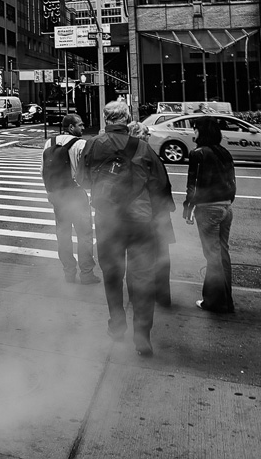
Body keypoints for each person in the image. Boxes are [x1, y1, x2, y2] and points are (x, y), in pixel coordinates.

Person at [76, 100, 171, 358]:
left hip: (108, 220)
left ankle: (117, 324)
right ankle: (142, 336)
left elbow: (83, 180)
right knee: (142, 277)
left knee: (112, 274)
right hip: (140, 221)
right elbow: (160, 183)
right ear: (127, 118)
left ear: (106, 119)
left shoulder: (93, 144)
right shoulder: (142, 147)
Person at [184, 116, 237, 314]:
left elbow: (193, 185)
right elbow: (232, 181)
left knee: (212, 256)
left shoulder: (198, 154)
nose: (193, 133)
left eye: (196, 129)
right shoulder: (224, 152)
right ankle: (227, 300)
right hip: (226, 207)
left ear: (203, 132)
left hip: (208, 209)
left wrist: (188, 208)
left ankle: (214, 302)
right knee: (223, 254)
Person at [42, 114, 100, 285]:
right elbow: (87, 172)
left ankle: (69, 272)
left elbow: (43, 170)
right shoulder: (80, 144)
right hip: (75, 194)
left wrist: (50, 192)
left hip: (57, 195)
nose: (83, 128)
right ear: (70, 127)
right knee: (85, 235)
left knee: (63, 234)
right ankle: (86, 273)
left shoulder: (49, 143)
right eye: (80, 125)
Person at [131, 120, 176, 307]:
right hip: (154, 214)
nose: (149, 136)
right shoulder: (146, 154)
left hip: (145, 214)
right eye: (146, 133)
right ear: (139, 136)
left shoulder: (134, 155)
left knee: (141, 257)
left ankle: (141, 295)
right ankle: (161, 296)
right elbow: (161, 184)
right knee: (159, 256)